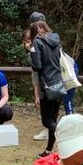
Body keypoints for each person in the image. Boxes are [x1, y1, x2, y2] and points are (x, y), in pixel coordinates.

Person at [28, 19, 67, 155]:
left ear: (36, 30)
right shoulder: (56, 41)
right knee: (53, 119)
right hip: (59, 83)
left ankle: (65, 135)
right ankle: (49, 150)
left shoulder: (37, 42)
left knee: (47, 121)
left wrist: (31, 52)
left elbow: (37, 66)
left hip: (47, 86)